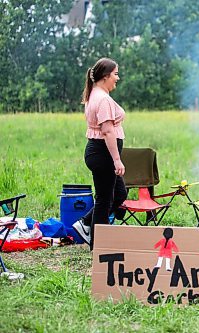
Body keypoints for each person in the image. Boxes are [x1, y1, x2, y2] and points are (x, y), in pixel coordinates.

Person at [72, 57, 127, 250]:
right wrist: (117, 160)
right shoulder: (102, 99)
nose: (117, 78)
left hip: (99, 153)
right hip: (103, 154)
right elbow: (107, 131)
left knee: (119, 193)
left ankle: (85, 223)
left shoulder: (94, 94)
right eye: (115, 74)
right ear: (105, 76)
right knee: (104, 199)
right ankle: (98, 245)